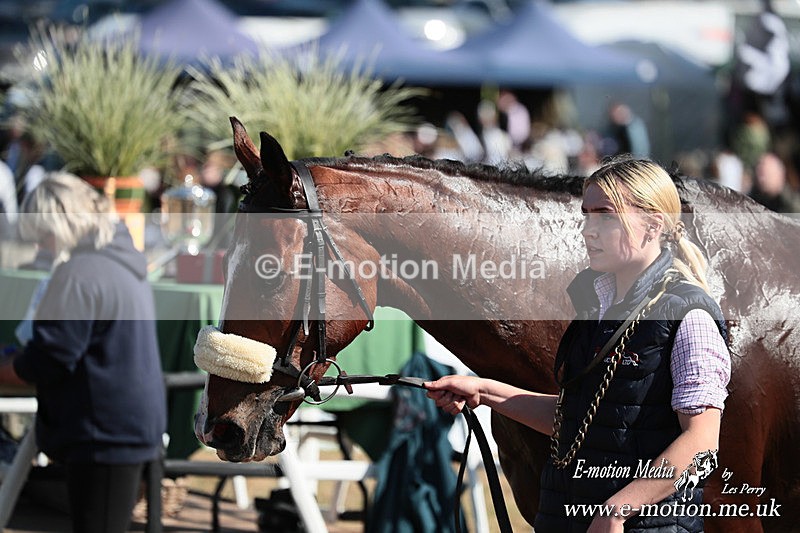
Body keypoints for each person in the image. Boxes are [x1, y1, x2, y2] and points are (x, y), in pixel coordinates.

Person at [425, 157, 730, 532]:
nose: (588, 230)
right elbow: (580, 419)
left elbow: (702, 443)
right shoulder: (597, 308)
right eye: (586, 215)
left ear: (653, 226)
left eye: (605, 216)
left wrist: (618, 509)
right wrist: (484, 391)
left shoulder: (689, 315)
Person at [0, 173, 166, 533]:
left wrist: (9, 366)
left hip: (103, 432)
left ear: (59, 223)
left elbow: (50, 359)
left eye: (42, 234)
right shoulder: (121, 261)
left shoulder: (80, 273)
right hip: (127, 426)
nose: (41, 245)